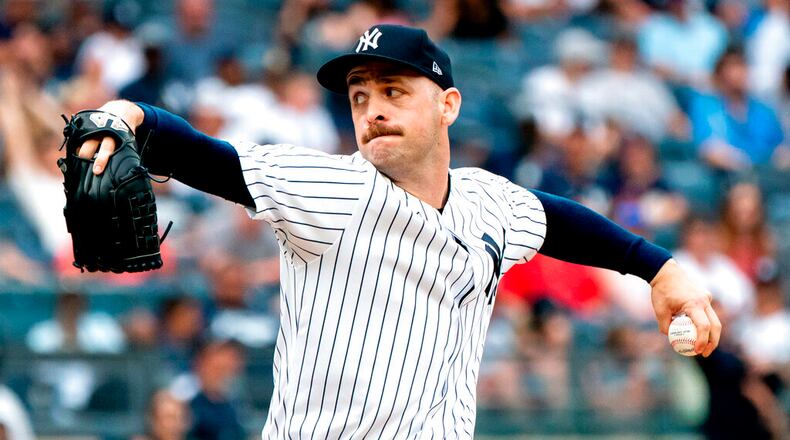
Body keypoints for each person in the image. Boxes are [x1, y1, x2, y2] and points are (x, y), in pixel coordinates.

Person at [71, 24, 720, 438]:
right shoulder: (330, 189)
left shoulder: (488, 201)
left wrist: (659, 268)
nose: (373, 108)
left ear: (448, 105)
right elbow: (205, 156)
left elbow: (560, 221)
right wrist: (130, 115)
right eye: (359, 95)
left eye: (393, 90)